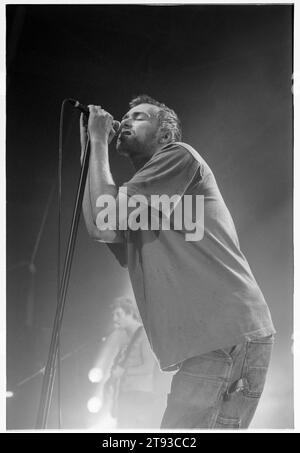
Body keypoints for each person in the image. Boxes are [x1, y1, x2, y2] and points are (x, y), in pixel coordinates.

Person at [80, 95, 276, 429]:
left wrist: (98, 140)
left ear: (165, 135)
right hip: (215, 340)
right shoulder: (143, 202)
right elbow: (102, 227)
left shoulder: (178, 156)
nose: (125, 121)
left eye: (139, 117)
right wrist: (90, 146)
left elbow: (104, 219)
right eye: (124, 117)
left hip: (225, 334)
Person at [103, 297, 157, 429]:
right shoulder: (126, 338)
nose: (114, 319)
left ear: (131, 313)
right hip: (126, 395)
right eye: (113, 315)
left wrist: (124, 372)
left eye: (118, 314)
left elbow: (150, 367)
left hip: (139, 396)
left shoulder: (144, 334)